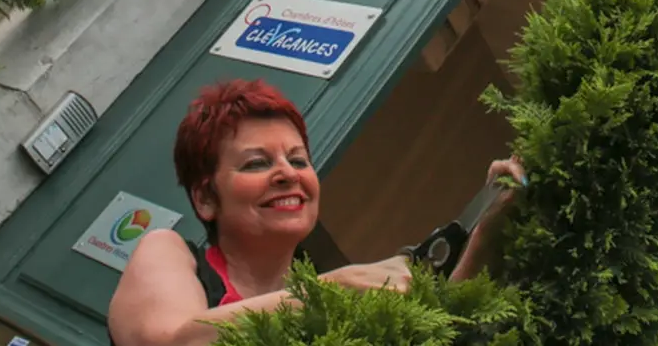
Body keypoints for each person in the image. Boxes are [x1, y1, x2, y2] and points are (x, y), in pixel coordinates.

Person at [109, 78, 525, 346]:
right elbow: (166, 343)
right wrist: (334, 289)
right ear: (205, 199)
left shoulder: (323, 304)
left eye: (299, 160)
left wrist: (486, 228)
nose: (287, 174)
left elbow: (437, 331)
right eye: (256, 163)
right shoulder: (167, 252)